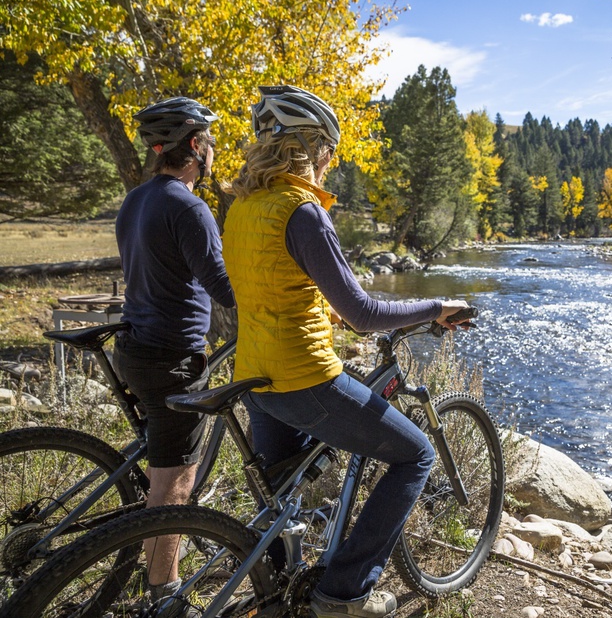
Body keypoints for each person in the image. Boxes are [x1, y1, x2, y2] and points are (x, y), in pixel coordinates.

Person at [223, 85, 470, 618]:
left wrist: (325, 311)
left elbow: (272, 286)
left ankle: (277, 596)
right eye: (328, 151)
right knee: (415, 455)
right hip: (302, 378)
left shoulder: (243, 206)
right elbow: (364, 313)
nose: (329, 164)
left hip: (255, 380)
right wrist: (435, 308)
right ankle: (345, 594)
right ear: (311, 148)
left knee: (284, 498)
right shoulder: (302, 211)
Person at [112, 96, 235, 604]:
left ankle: (148, 567)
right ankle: (165, 595)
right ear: (193, 147)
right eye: (207, 142)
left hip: (135, 348)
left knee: (160, 464)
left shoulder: (136, 199)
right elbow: (225, 289)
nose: (211, 153)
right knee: (173, 487)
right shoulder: (189, 206)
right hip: (173, 359)